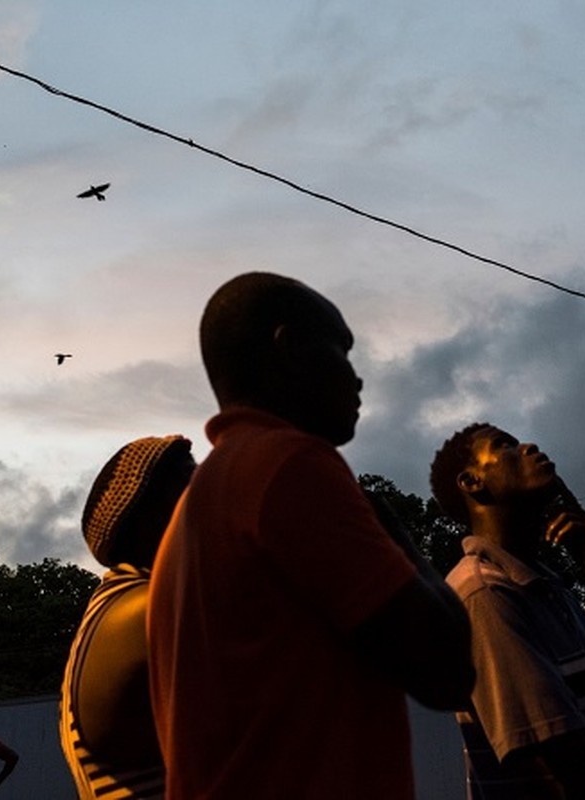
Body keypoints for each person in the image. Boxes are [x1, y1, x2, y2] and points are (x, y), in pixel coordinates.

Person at [147, 272, 475, 799]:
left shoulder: (196, 508)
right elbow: (446, 670)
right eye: (343, 352)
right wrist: (401, 540)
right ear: (293, 349)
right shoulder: (289, 465)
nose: (358, 379)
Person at [430, 423, 585, 799]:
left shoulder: (552, 591)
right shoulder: (484, 593)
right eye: (504, 446)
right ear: (472, 481)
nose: (529, 446)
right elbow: (571, 766)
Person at [59, 434, 196, 799]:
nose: (208, 484)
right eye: (189, 476)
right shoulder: (146, 612)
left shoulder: (119, 606)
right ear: (151, 512)